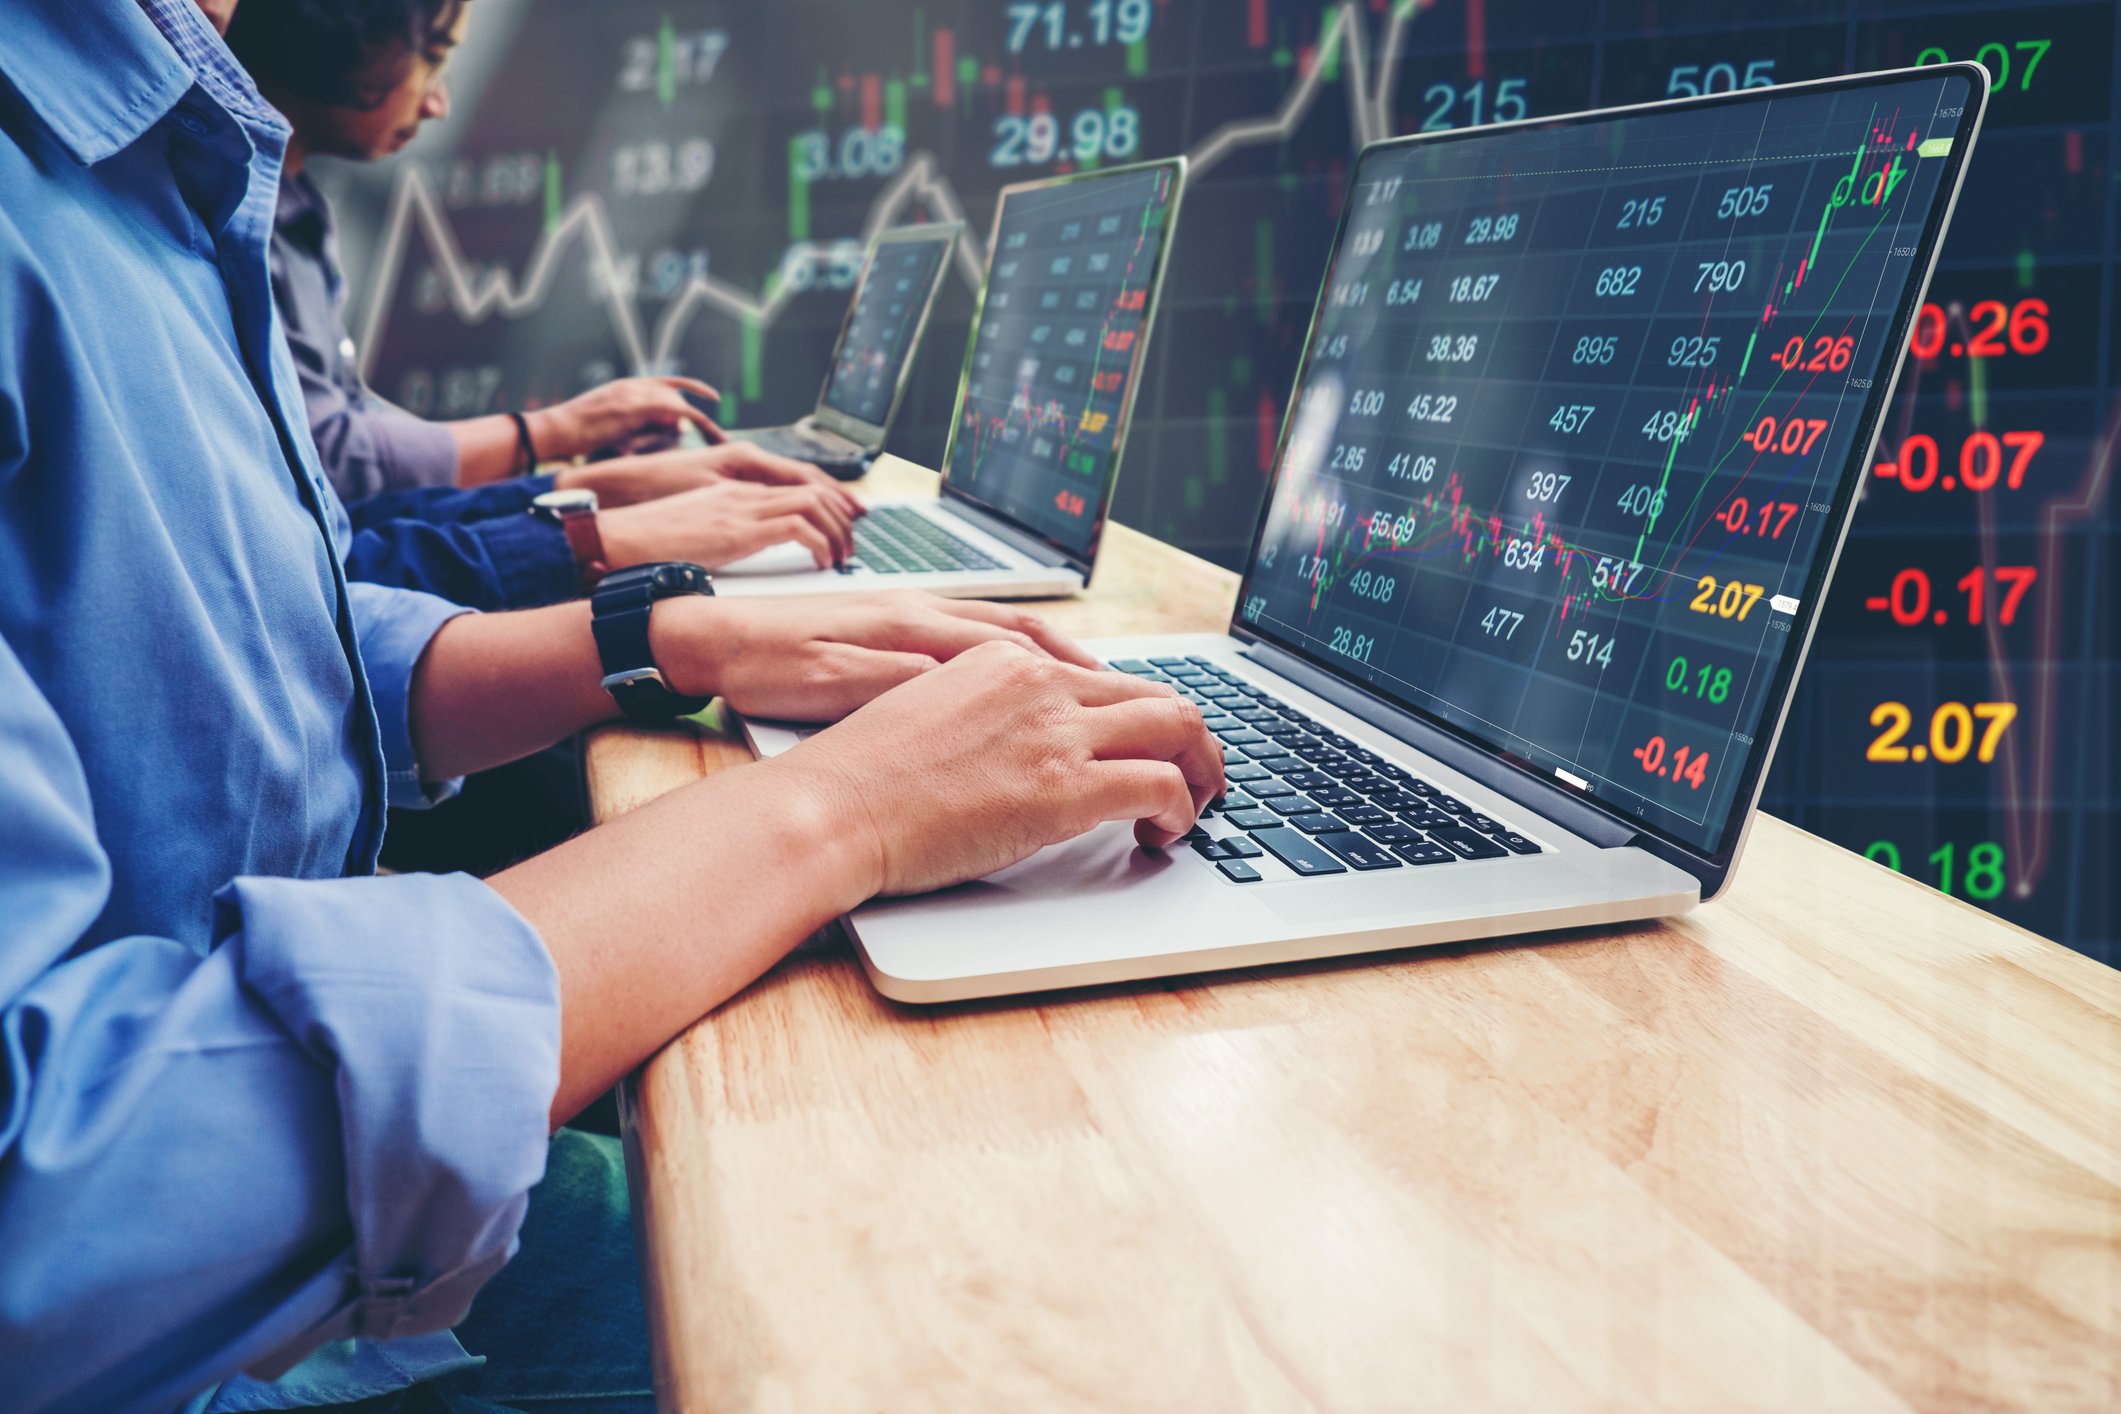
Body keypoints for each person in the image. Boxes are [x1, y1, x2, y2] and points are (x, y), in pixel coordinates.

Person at [0, 5, 1222, 1414]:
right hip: (180, 1325)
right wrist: (832, 811)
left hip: (263, 1183)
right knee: (917, 1298)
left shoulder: (157, 144)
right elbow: (54, 1202)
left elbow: (271, 629)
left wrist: (668, 637)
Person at [221, 0, 867, 605]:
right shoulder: (223, 221)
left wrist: (588, 492)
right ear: (334, 39)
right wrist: (574, 483)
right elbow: (338, 477)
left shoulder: (294, 204)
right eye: (432, 54)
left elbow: (357, 496)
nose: (442, 101)